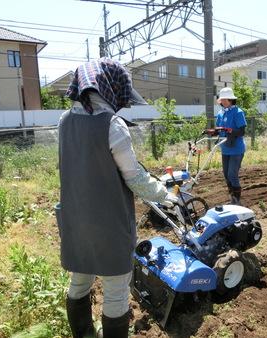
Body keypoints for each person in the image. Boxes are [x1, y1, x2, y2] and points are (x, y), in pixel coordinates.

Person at [57, 57, 178, 338]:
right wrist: (164, 195)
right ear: (109, 88)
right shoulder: (112, 124)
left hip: (75, 219)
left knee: (80, 279)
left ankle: (84, 334)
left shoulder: (64, 122)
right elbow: (134, 177)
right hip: (109, 222)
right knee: (115, 292)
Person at [215, 87, 247, 205]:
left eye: (226, 100)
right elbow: (218, 128)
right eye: (222, 100)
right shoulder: (221, 113)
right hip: (225, 148)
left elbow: (241, 132)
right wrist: (213, 131)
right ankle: (232, 199)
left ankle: (236, 201)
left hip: (237, 149)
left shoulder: (238, 112)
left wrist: (229, 130)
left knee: (232, 174)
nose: (224, 102)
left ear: (231, 100)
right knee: (226, 176)